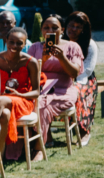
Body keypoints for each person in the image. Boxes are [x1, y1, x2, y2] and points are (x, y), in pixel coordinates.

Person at [28, 15, 83, 149]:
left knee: (40, 104)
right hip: (40, 90)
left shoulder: (72, 47)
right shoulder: (35, 47)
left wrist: (61, 57)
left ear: (62, 29)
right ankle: (38, 140)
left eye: (54, 27)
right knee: (33, 102)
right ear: (41, 30)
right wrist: (44, 60)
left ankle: (39, 146)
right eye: (46, 27)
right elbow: (28, 73)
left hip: (63, 91)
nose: (50, 31)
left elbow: (74, 73)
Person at [0, 28, 42, 164]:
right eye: (11, 42)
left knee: (0, 101)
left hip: (23, 100)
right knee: (4, 113)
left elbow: (36, 92)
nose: (15, 46)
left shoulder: (31, 62)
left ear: (25, 44)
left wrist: (19, 94)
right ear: (6, 41)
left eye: (19, 43)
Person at [64, 11, 98, 145]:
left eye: (78, 27)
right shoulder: (60, 40)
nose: (74, 29)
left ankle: (83, 131)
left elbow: (88, 69)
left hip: (84, 79)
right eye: (71, 25)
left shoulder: (90, 44)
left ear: (84, 29)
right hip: (62, 77)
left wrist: (73, 80)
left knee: (77, 91)